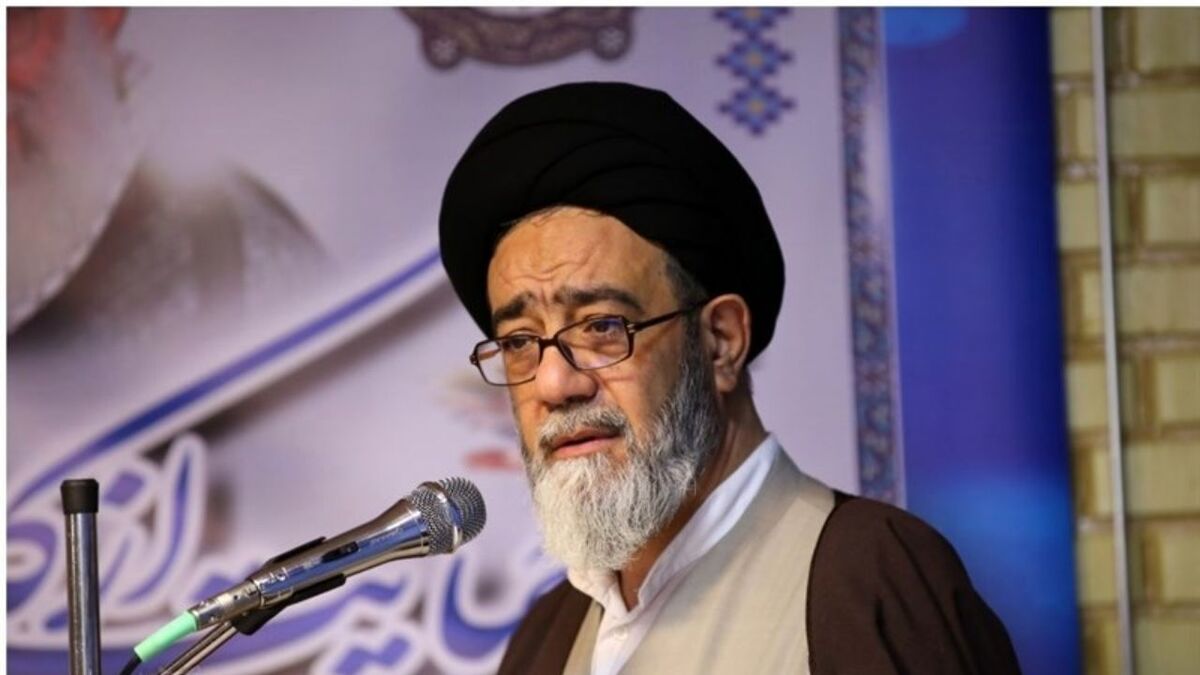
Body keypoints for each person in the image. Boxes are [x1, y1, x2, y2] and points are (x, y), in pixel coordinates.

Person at [439, 82, 1020, 674]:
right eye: (519, 343)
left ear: (720, 341)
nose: (554, 384)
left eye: (602, 327)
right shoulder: (549, 635)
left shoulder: (868, 581)